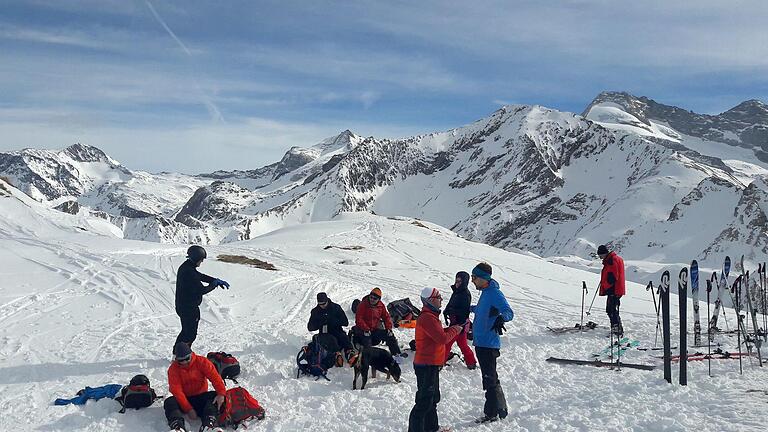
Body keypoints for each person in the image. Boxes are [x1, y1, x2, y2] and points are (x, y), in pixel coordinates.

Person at [408, 288, 463, 432]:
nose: (441, 300)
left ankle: (432, 428)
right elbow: (442, 338)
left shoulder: (431, 316)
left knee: (432, 399)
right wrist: (455, 330)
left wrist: (452, 328)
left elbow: (438, 334)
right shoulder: (427, 318)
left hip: (431, 363)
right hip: (426, 364)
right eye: (439, 297)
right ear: (431, 300)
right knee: (424, 402)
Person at [470, 262, 514, 424]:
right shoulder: (486, 292)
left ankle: (491, 413)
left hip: (489, 344)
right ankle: (500, 408)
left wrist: (501, 318)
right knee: (490, 377)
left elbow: (509, 312)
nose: (472, 280)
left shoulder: (495, 293)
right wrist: (469, 308)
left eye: (474, 277)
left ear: (483, 278)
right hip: (481, 343)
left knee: (490, 379)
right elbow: (483, 310)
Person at [175, 245, 230, 348]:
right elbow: (201, 290)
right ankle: (181, 356)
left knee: (186, 332)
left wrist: (214, 280)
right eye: (201, 259)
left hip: (183, 306)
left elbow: (199, 276)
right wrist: (214, 285)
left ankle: (179, 353)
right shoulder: (189, 272)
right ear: (196, 258)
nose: (202, 262)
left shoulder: (187, 266)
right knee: (190, 334)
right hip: (189, 308)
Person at [165, 342, 227, 431]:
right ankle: (177, 427)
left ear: (191, 354)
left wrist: (221, 393)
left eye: (187, 359)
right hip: (184, 399)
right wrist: (188, 409)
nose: (184, 362)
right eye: (181, 360)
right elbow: (176, 391)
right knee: (169, 402)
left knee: (215, 396)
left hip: (201, 397)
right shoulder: (173, 369)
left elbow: (215, 378)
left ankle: (208, 425)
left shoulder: (202, 362)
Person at [308, 292, 358, 365]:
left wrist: (333, 321)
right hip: (324, 333)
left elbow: (345, 322)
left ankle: (350, 353)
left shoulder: (336, 307)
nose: (322, 306)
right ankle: (337, 355)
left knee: (343, 337)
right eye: (320, 304)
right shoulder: (315, 311)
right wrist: (320, 322)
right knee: (331, 339)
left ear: (327, 301)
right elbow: (310, 327)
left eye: (324, 304)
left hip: (337, 330)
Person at [443, 271, 477, 369]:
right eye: (456, 281)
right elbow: (451, 303)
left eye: (460, 281)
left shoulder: (465, 294)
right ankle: (471, 362)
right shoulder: (457, 292)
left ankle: (440, 362)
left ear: (464, 282)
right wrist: (446, 310)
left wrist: (454, 314)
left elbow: (464, 311)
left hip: (459, 324)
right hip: (455, 323)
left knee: (447, 343)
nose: (457, 283)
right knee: (463, 345)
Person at [353, 287, 401, 356]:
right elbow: (359, 319)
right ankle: (368, 359)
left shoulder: (381, 306)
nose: (372, 299)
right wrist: (366, 329)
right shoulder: (363, 305)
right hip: (363, 330)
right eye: (371, 297)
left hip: (374, 330)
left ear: (378, 299)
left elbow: (386, 317)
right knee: (367, 345)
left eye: (374, 298)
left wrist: (389, 328)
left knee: (390, 336)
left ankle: (396, 354)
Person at [598, 244, 626, 336]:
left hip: (614, 289)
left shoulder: (611, 260)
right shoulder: (616, 258)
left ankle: (616, 330)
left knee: (611, 310)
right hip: (617, 288)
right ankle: (617, 328)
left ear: (604, 253)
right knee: (613, 309)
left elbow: (613, 277)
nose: (600, 258)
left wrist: (605, 286)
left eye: (600, 255)